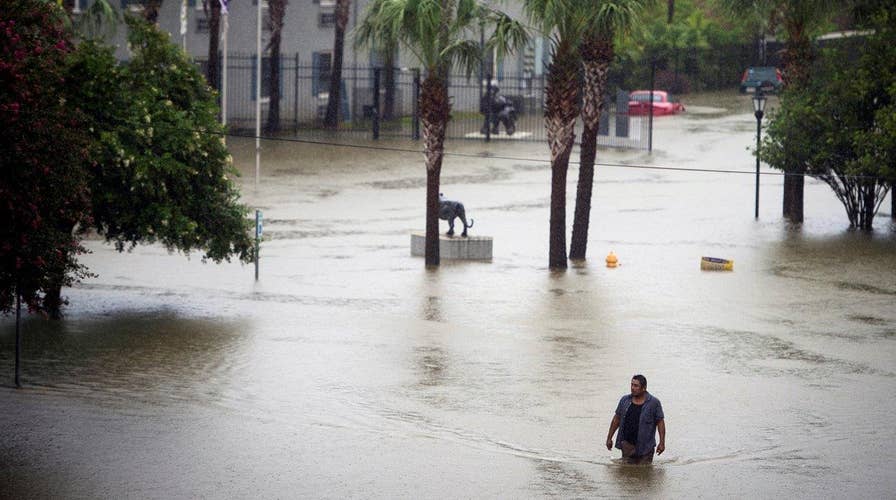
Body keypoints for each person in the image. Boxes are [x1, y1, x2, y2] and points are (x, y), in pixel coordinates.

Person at [605, 374, 665, 464]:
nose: (632, 388)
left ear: (644, 388)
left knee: (645, 471)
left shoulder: (653, 403)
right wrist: (609, 438)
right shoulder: (624, 400)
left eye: (636, 386)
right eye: (632, 385)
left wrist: (662, 443)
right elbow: (616, 419)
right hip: (627, 445)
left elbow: (660, 422)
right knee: (626, 470)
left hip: (646, 447)